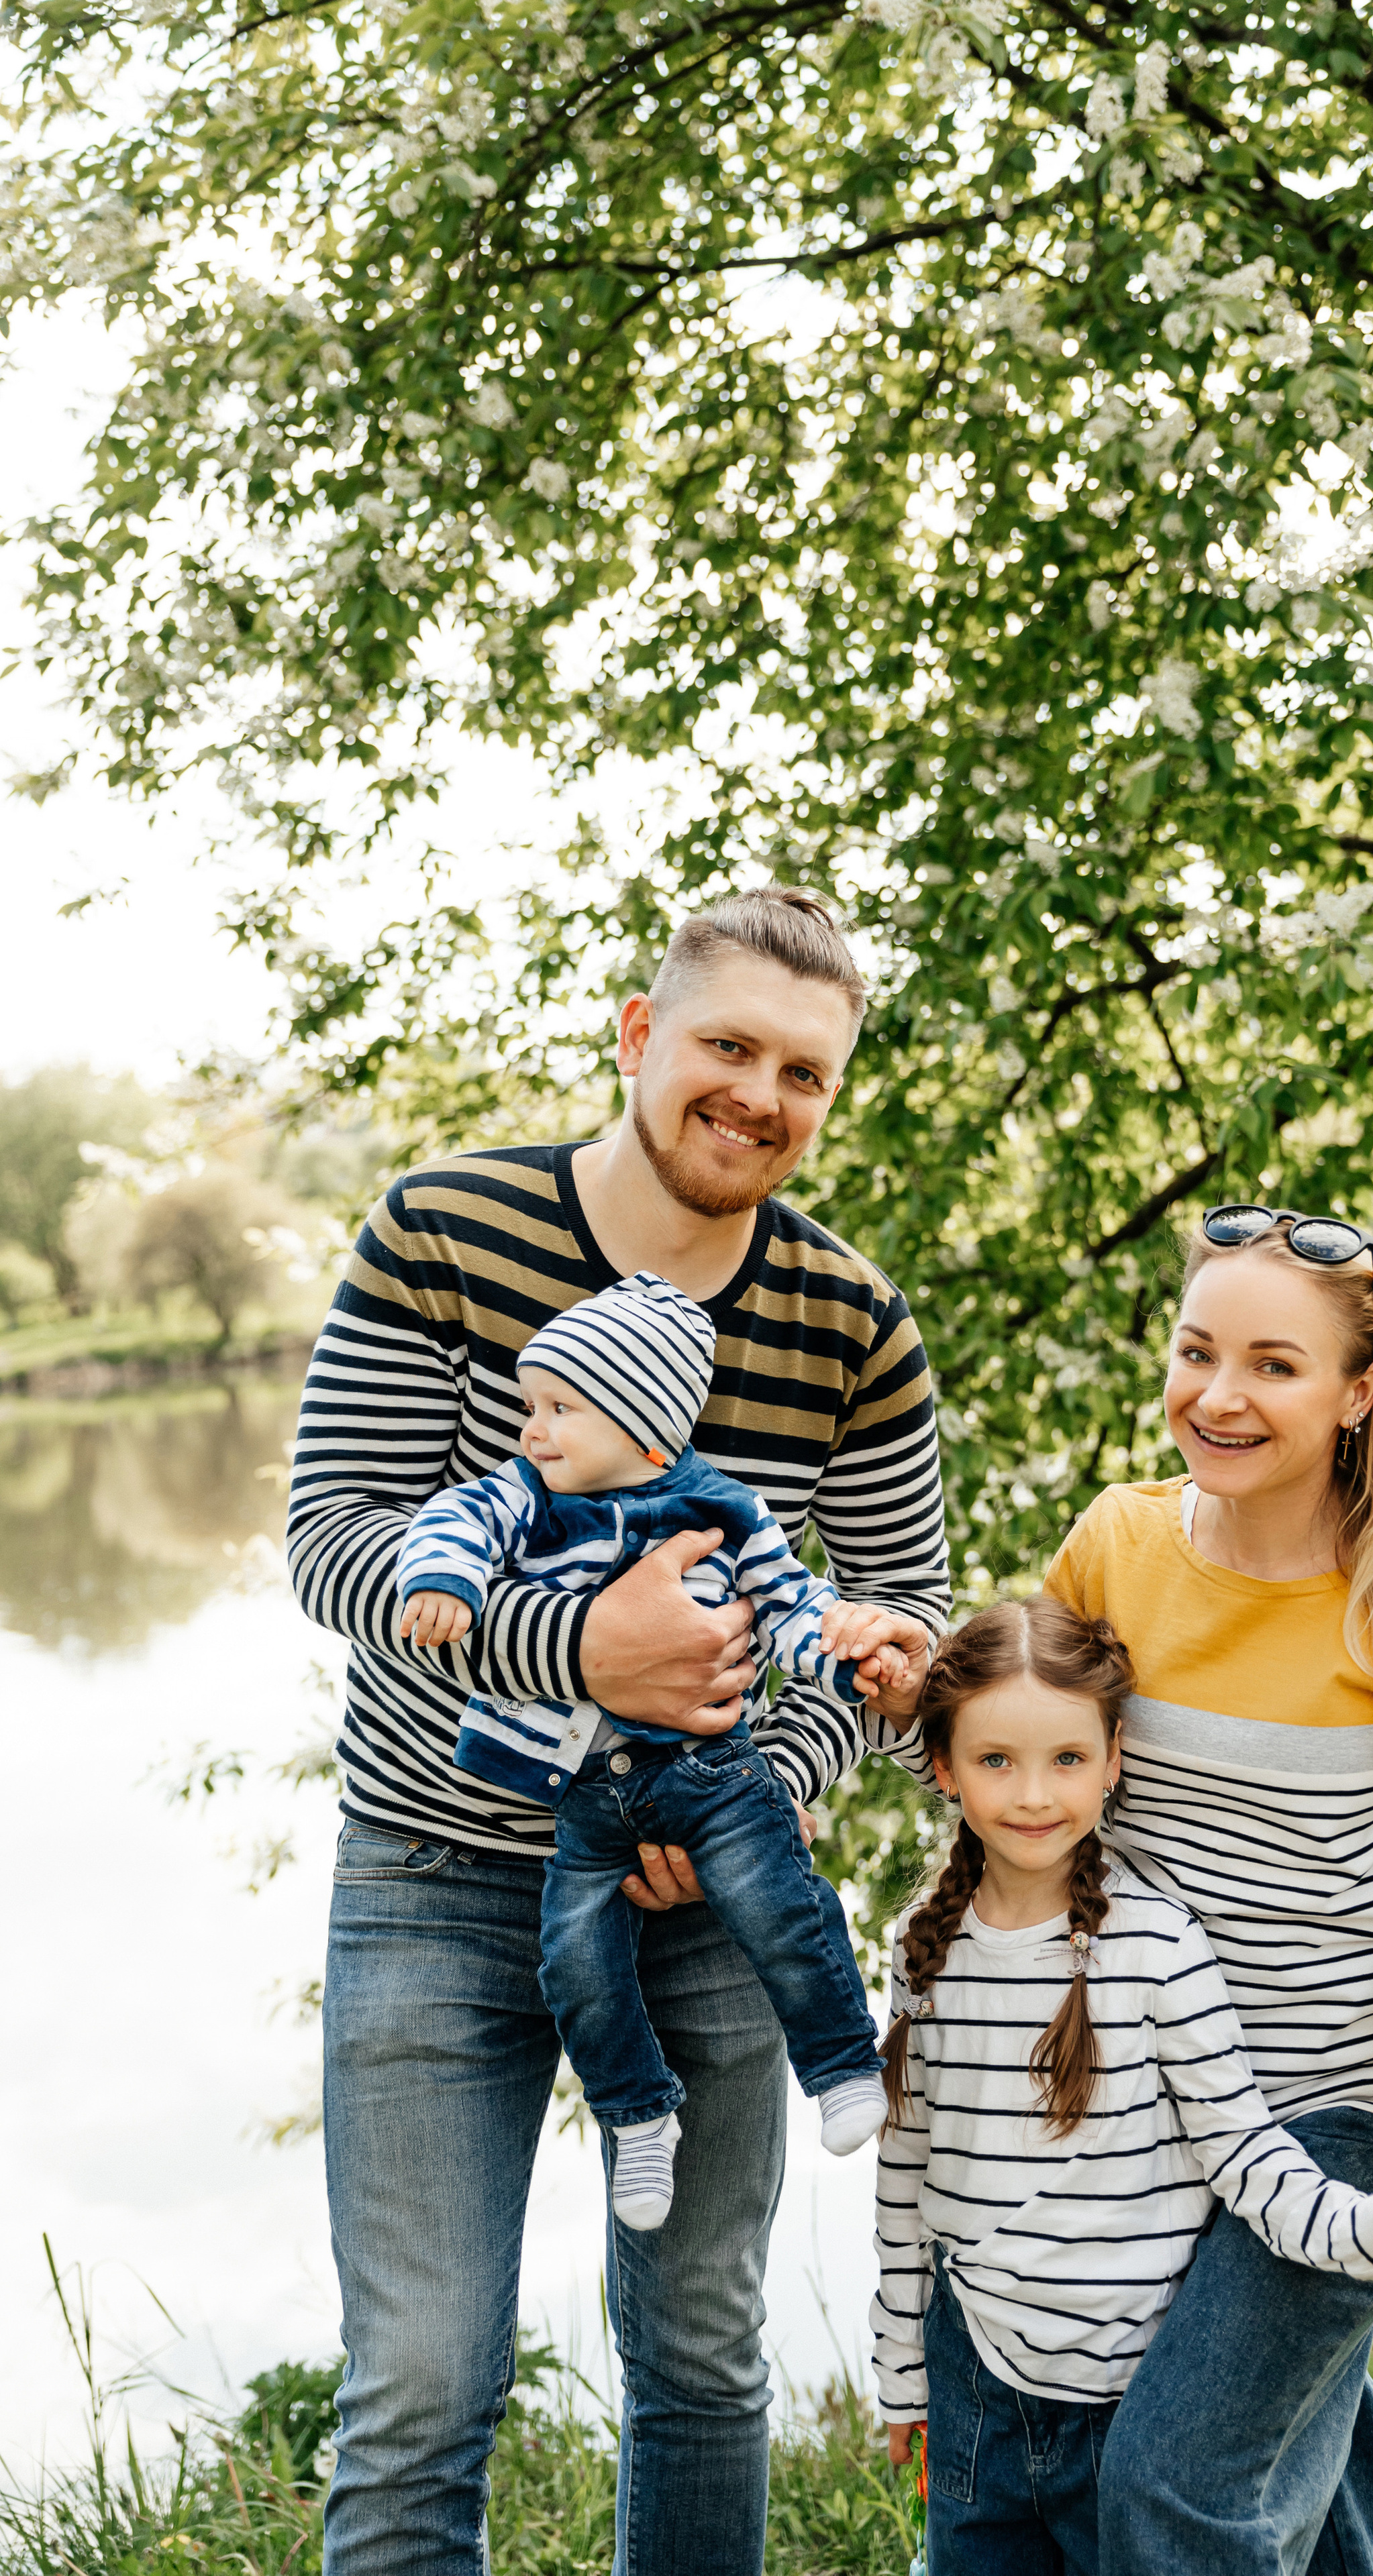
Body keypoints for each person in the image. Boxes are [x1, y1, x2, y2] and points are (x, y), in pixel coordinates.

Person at [287, 888, 951, 2576]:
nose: (760, 1096)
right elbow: (337, 1544)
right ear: (641, 1035)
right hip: (438, 1879)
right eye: (729, 1045)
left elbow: (900, 1625)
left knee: (701, 2360)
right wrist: (585, 1647)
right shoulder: (445, 1231)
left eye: (803, 1072)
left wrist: (750, 1793)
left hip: (704, 1905)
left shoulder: (853, 1325)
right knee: (421, 2383)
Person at [1039, 1204, 1373, 2575]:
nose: (1217, 1396)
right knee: (1281, 2442)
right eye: (1196, 1350)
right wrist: (903, 1697)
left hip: (1328, 2113)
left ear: (1357, 1393)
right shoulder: (1114, 1549)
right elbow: (1026, 1789)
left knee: (1175, 2485)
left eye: (1273, 1364)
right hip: (1145, 2103)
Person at [870, 1597, 1373, 2576]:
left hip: (1129, 2396)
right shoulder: (922, 1954)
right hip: (979, 2389)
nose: (1034, 1794)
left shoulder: (1159, 1946)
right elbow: (904, 2183)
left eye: (1068, 1758)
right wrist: (903, 2373)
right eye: (996, 1760)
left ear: (1115, 1759)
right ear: (943, 1767)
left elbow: (1246, 2157)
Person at [396, 1267, 927, 2227]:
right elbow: (453, 1518)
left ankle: (844, 2064)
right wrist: (447, 1582)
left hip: (713, 1774)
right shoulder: (528, 1496)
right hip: (586, 1795)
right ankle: (639, 2114)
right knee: (575, 1959)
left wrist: (851, 1664)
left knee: (778, 1901)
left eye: (560, 1408)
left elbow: (794, 1606)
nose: (532, 1431)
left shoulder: (727, 1510)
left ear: (645, 1428)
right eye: (531, 1407)